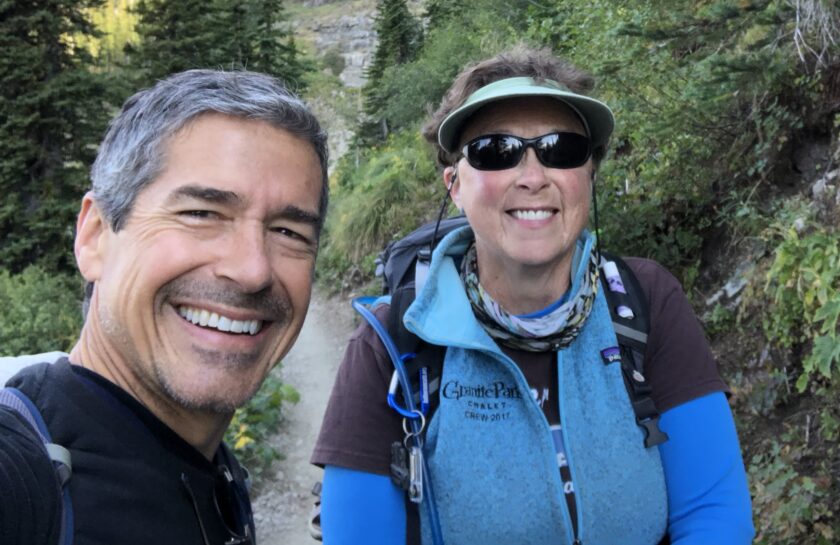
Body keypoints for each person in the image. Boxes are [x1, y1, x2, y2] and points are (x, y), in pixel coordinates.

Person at [312, 47, 755, 544]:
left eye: (560, 149)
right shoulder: (394, 343)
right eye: (496, 151)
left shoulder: (644, 302)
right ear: (454, 184)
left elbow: (715, 517)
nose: (532, 176)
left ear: (589, 175)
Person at [0, 69, 329, 545]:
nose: (253, 269)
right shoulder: (20, 480)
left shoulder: (211, 473)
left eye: (289, 232)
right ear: (94, 237)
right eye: (201, 213)